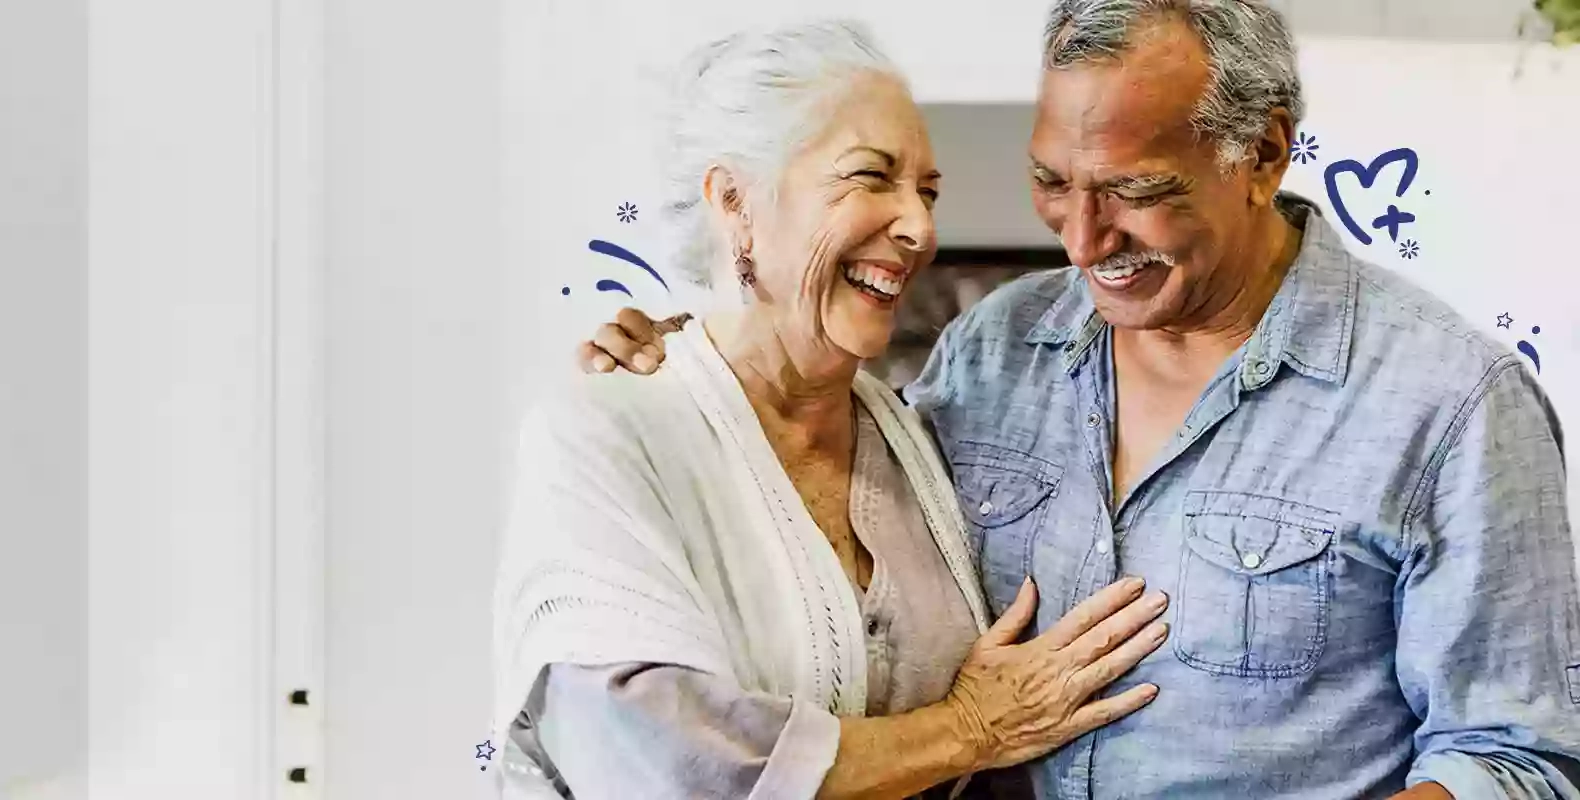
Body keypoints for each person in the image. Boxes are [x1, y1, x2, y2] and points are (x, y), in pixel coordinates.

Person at [580, 2, 1580, 798]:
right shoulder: (993, 349)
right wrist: (701, 362)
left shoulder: (1455, 404)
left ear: (1263, 155)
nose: (1083, 240)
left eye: (1136, 190)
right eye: (1053, 183)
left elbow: (1514, 758)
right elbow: (823, 517)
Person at [491, 20, 1173, 800]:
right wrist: (968, 729)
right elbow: (661, 759)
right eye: (871, 177)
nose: (920, 228)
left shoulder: (920, 440)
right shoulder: (605, 432)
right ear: (735, 201)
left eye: (927, 192)